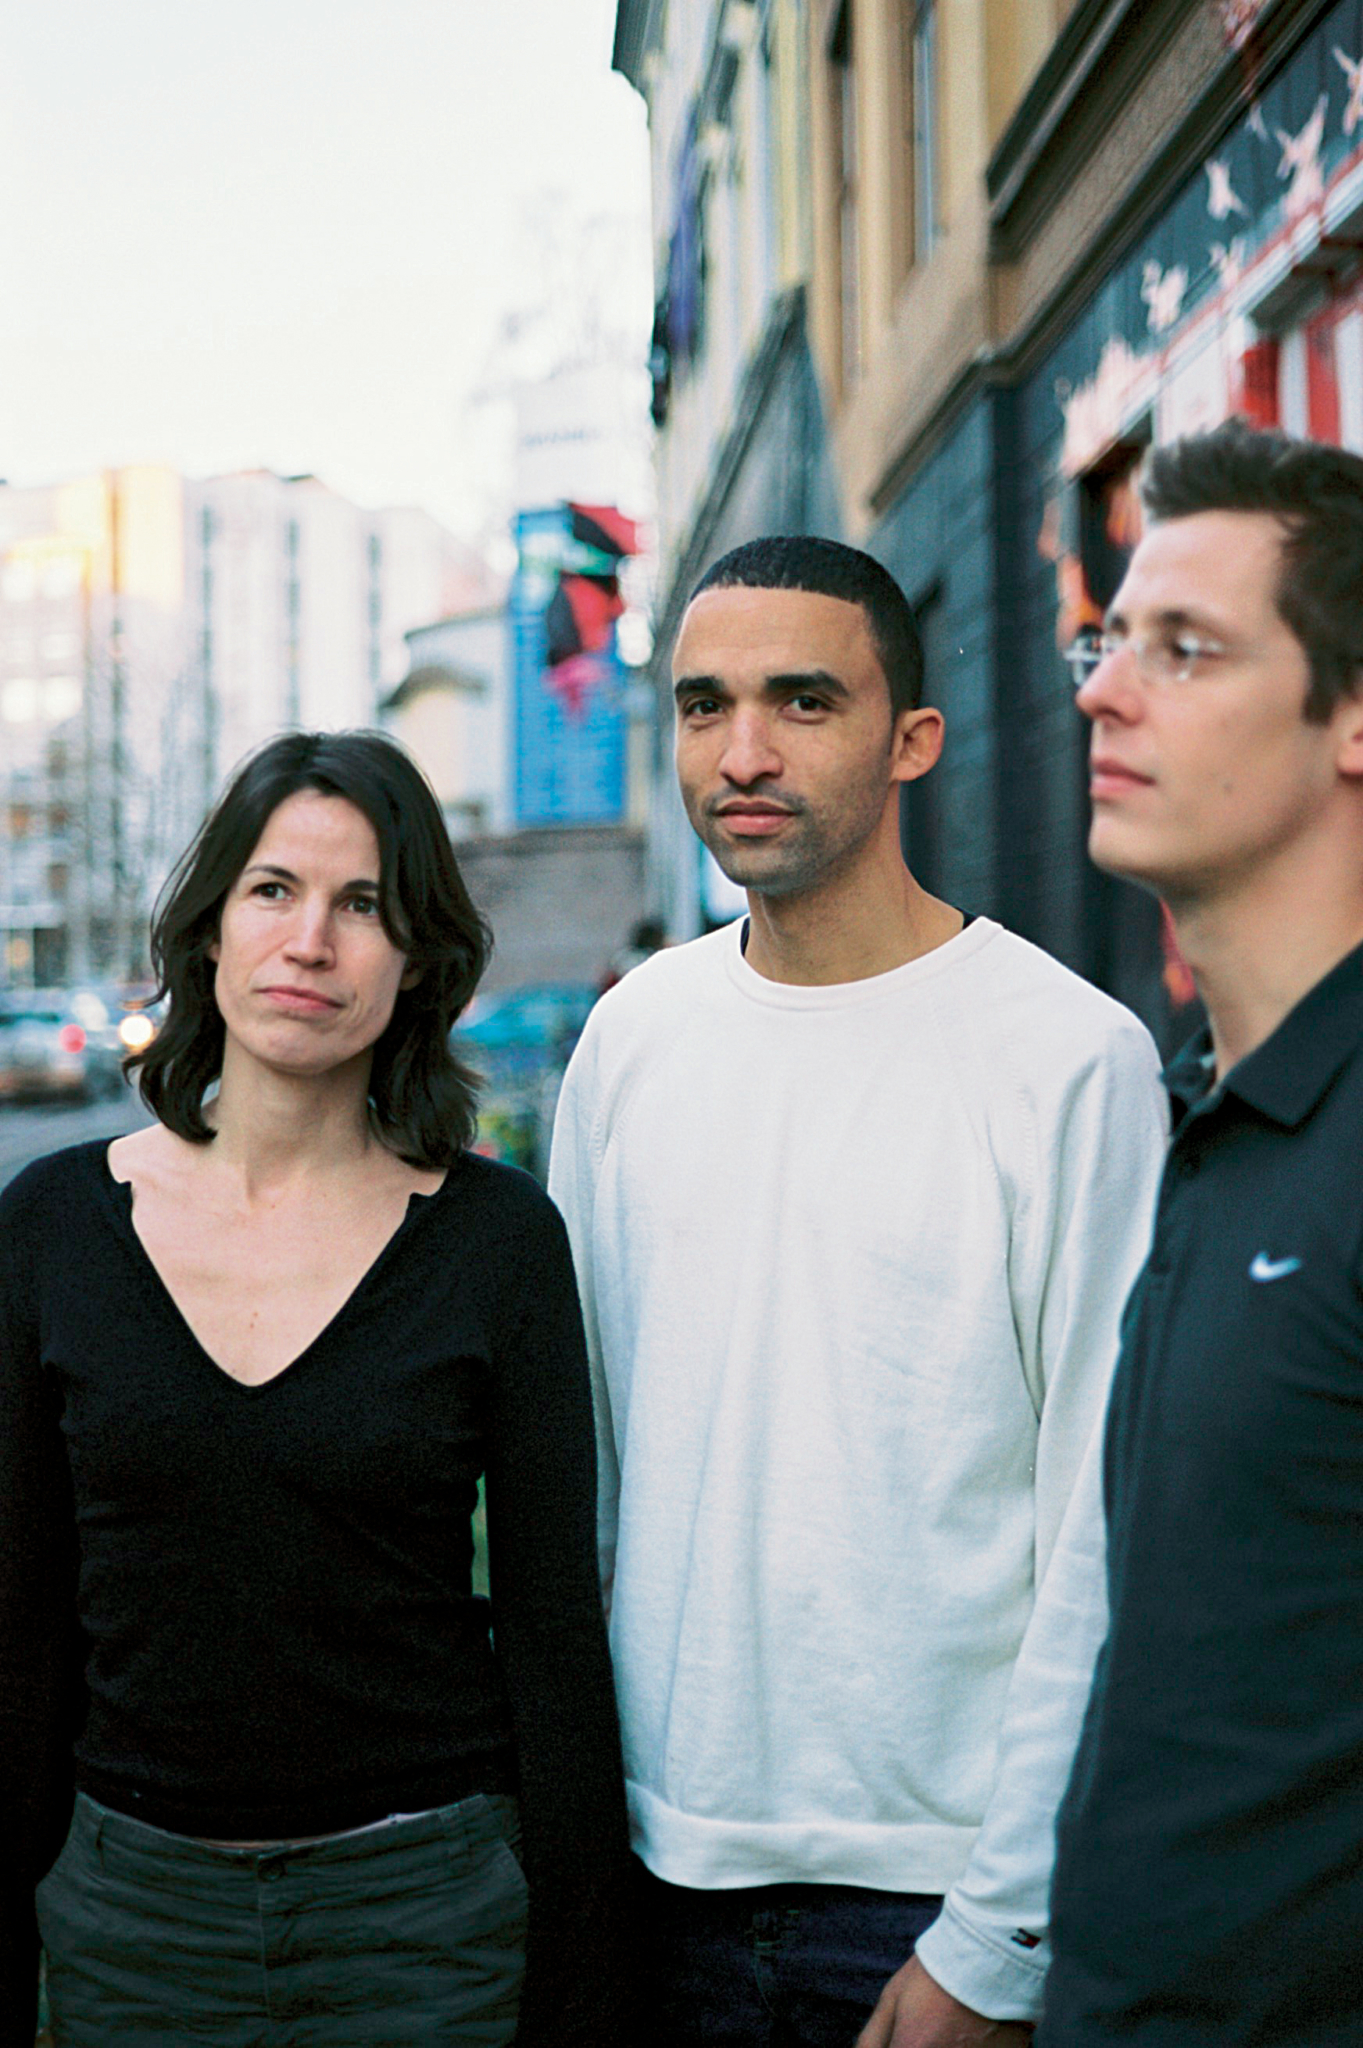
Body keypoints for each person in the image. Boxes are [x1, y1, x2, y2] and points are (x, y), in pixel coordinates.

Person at [547, 536, 1168, 2047]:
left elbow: (1108, 1526)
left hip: (938, 1904)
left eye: (803, 702)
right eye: (704, 706)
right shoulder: (632, 1047)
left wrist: (1003, 1939)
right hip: (653, 1872)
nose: (742, 753)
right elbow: (591, 1474)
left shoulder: (1069, 1061)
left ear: (912, 742)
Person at [0, 730, 633, 2048]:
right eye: (276, 890)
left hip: (427, 1918)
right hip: (133, 1919)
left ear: (416, 964)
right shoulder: (53, 1226)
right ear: (212, 926)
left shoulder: (496, 1241)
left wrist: (576, 1969)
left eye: (365, 907)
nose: (312, 942)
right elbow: (21, 1618)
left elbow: (554, 1631)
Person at [1039, 421, 1363, 2046]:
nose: (1102, 689)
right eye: (1112, 641)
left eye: (1189, 649)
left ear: (1353, 714)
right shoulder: (1193, 1113)